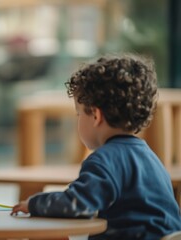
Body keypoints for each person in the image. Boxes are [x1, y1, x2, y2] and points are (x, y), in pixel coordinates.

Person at [11, 54, 181, 239]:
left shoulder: (104, 159)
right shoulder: (150, 157)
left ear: (96, 116)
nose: (78, 121)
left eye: (78, 114)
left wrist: (33, 203)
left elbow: (77, 205)